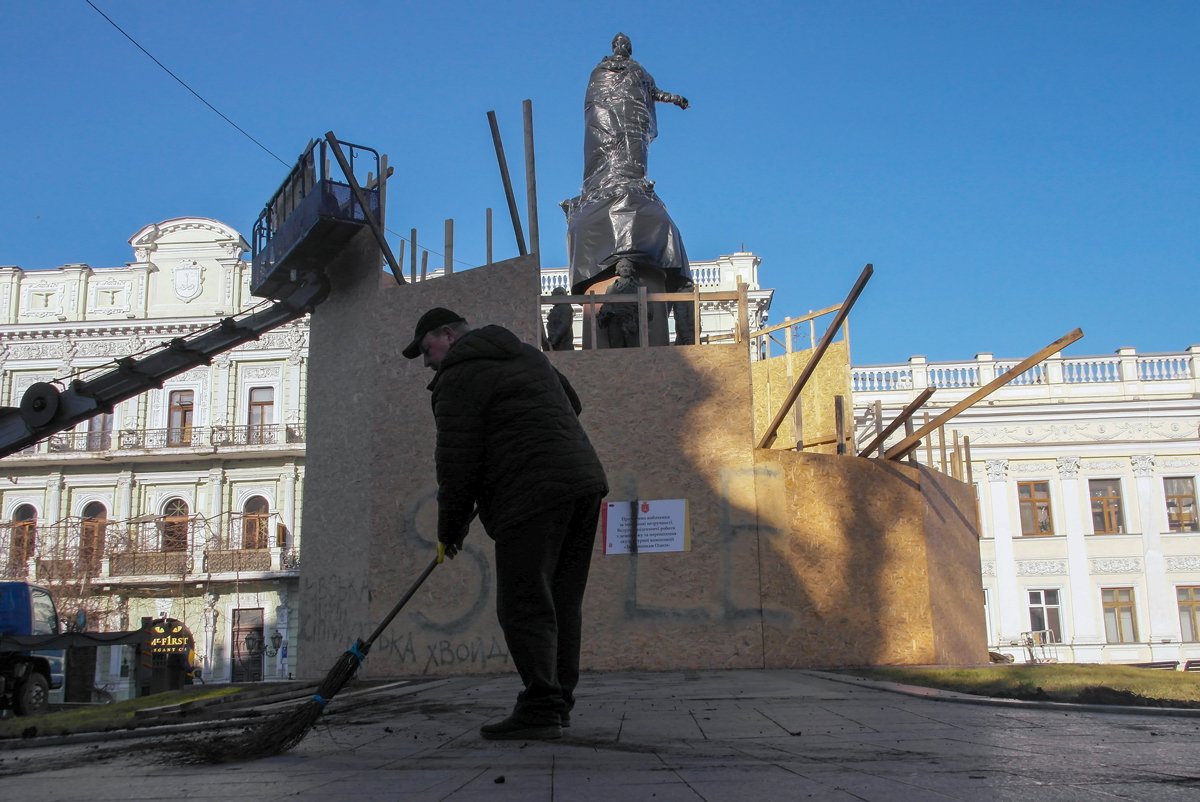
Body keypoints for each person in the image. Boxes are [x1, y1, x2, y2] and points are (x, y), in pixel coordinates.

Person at [403, 307, 608, 740]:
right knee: (561, 601)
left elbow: (456, 464)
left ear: (448, 336)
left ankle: (540, 707)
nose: (426, 362)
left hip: (530, 492)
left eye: (426, 350)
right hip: (582, 484)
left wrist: (450, 529)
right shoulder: (528, 354)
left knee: (523, 603)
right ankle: (556, 703)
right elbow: (574, 403)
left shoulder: (456, 379)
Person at [582, 32, 688, 198]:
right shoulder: (602, 71)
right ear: (614, 47)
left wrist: (675, 99)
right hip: (609, 122)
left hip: (634, 121)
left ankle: (634, 185)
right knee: (607, 153)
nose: (622, 47)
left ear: (629, 49)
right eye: (619, 44)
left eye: (625, 44)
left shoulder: (639, 71)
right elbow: (593, 101)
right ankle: (605, 187)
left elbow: (655, 92)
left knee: (634, 156)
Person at [596, 258, 651, 348]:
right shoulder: (611, 288)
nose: (625, 269)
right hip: (614, 322)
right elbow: (606, 305)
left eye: (627, 266)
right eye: (622, 267)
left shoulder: (639, 287)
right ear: (617, 270)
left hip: (631, 321)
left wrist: (639, 317)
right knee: (616, 350)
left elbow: (648, 308)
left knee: (633, 350)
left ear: (631, 269)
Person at [545, 286, 575, 351]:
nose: (551, 297)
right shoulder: (558, 308)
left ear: (560, 295)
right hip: (557, 344)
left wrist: (554, 339)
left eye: (553, 295)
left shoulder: (565, 308)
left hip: (562, 345)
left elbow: (564, 325)